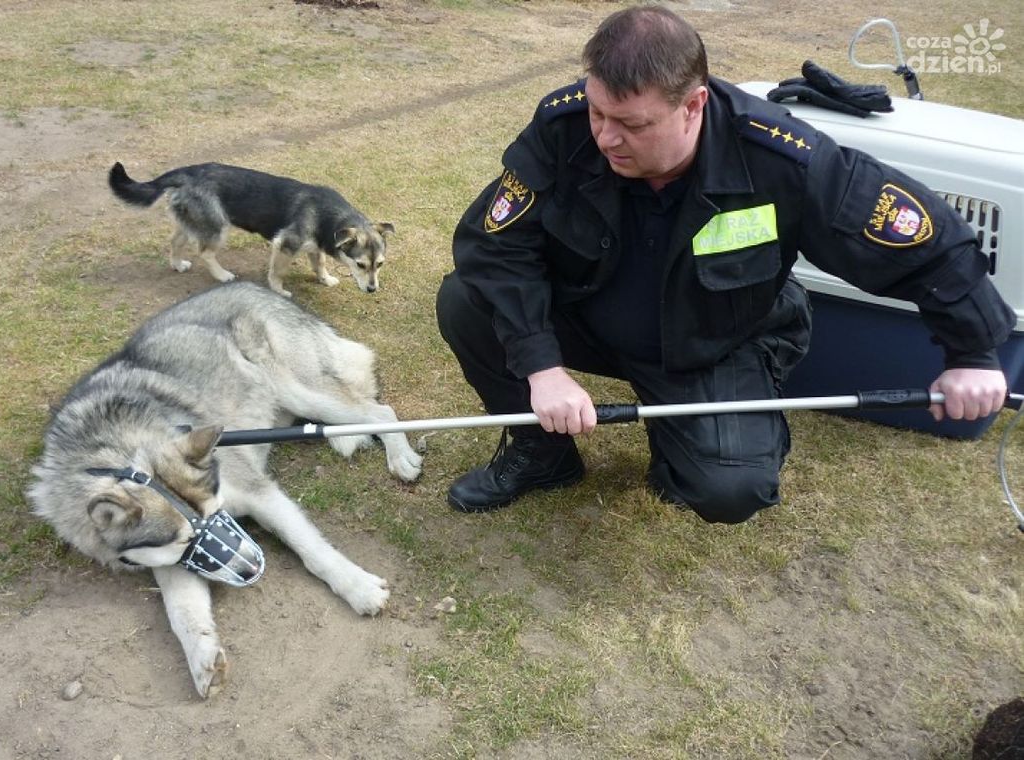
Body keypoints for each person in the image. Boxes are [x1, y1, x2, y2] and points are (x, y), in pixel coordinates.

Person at [435, 4, 1015, 524]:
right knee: (467, 300)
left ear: (693, 106)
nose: (607, 137)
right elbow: (495, 246)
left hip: (712, 339)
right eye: (598, 114)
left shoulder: (782, 160)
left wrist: (973, 354)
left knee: (728, 489)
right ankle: (543, 452)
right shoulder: (565, 126)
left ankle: (683, 441)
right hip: (589, 314)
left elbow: (925, 239)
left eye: (632, 125)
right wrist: (543, 368)